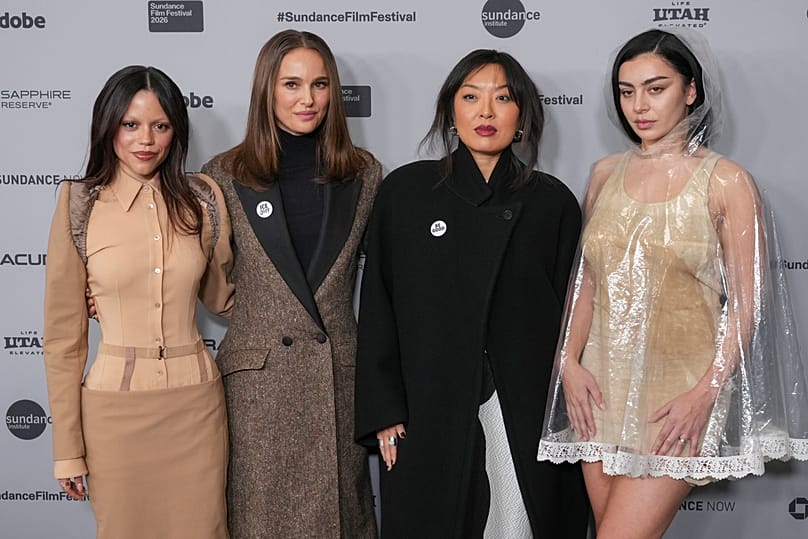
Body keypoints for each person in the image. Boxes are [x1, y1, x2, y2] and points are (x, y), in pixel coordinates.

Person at [537, 29, 808, 539]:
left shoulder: (726, 181)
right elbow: (588, 281)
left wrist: (707, 391)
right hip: (598, 390)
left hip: (676, 397)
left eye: (655, 88)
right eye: (626, 90)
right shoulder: (603, 174)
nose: (638, 105)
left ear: (691, 91)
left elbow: (749, 301)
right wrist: (567, 364)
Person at [354, 49, 590, 538]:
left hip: (522, 403)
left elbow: (576, 321)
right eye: (470, 96)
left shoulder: (552, 203)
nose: (486, 112)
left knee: (518, 521)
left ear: (522, 115)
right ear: (450, 110)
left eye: (502, 98)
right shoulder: (407, 193)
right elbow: (379, 304)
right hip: (429, 404)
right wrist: (384, 410)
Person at [199, 30, 381, 538]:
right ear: (267, 90)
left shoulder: (364, 175)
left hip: (336, 382)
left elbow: (393, 278)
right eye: (292, 84)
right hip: (259, 388)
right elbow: (195, 272)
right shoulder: (223, 174)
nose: (308, 99)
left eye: (320, 85)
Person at [43, 65, 234, 538]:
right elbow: (64, 340)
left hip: (197, 408)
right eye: (130, 124)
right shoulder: (78, 203)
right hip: (114, 414)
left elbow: (224, 300)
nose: (145, 139)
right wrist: (68, 447)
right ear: (108, 126)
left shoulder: (203, 199)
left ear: (176, 131)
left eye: (160, 125)